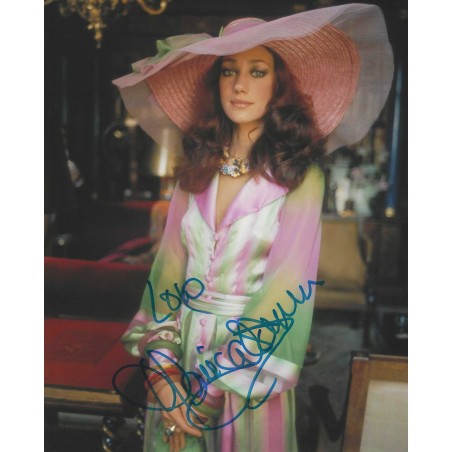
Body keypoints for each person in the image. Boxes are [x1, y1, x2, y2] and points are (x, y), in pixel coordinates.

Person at [113, 4, 393, 451]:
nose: (240, 85)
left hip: (248, 378)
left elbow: (286, 296)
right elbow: (165, 278)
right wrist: (165, 378)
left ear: (279, 85)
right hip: (176, 373)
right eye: (229, 71)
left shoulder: (300, 179)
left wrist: (203, 394)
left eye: (257, 71)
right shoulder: (194, 171)